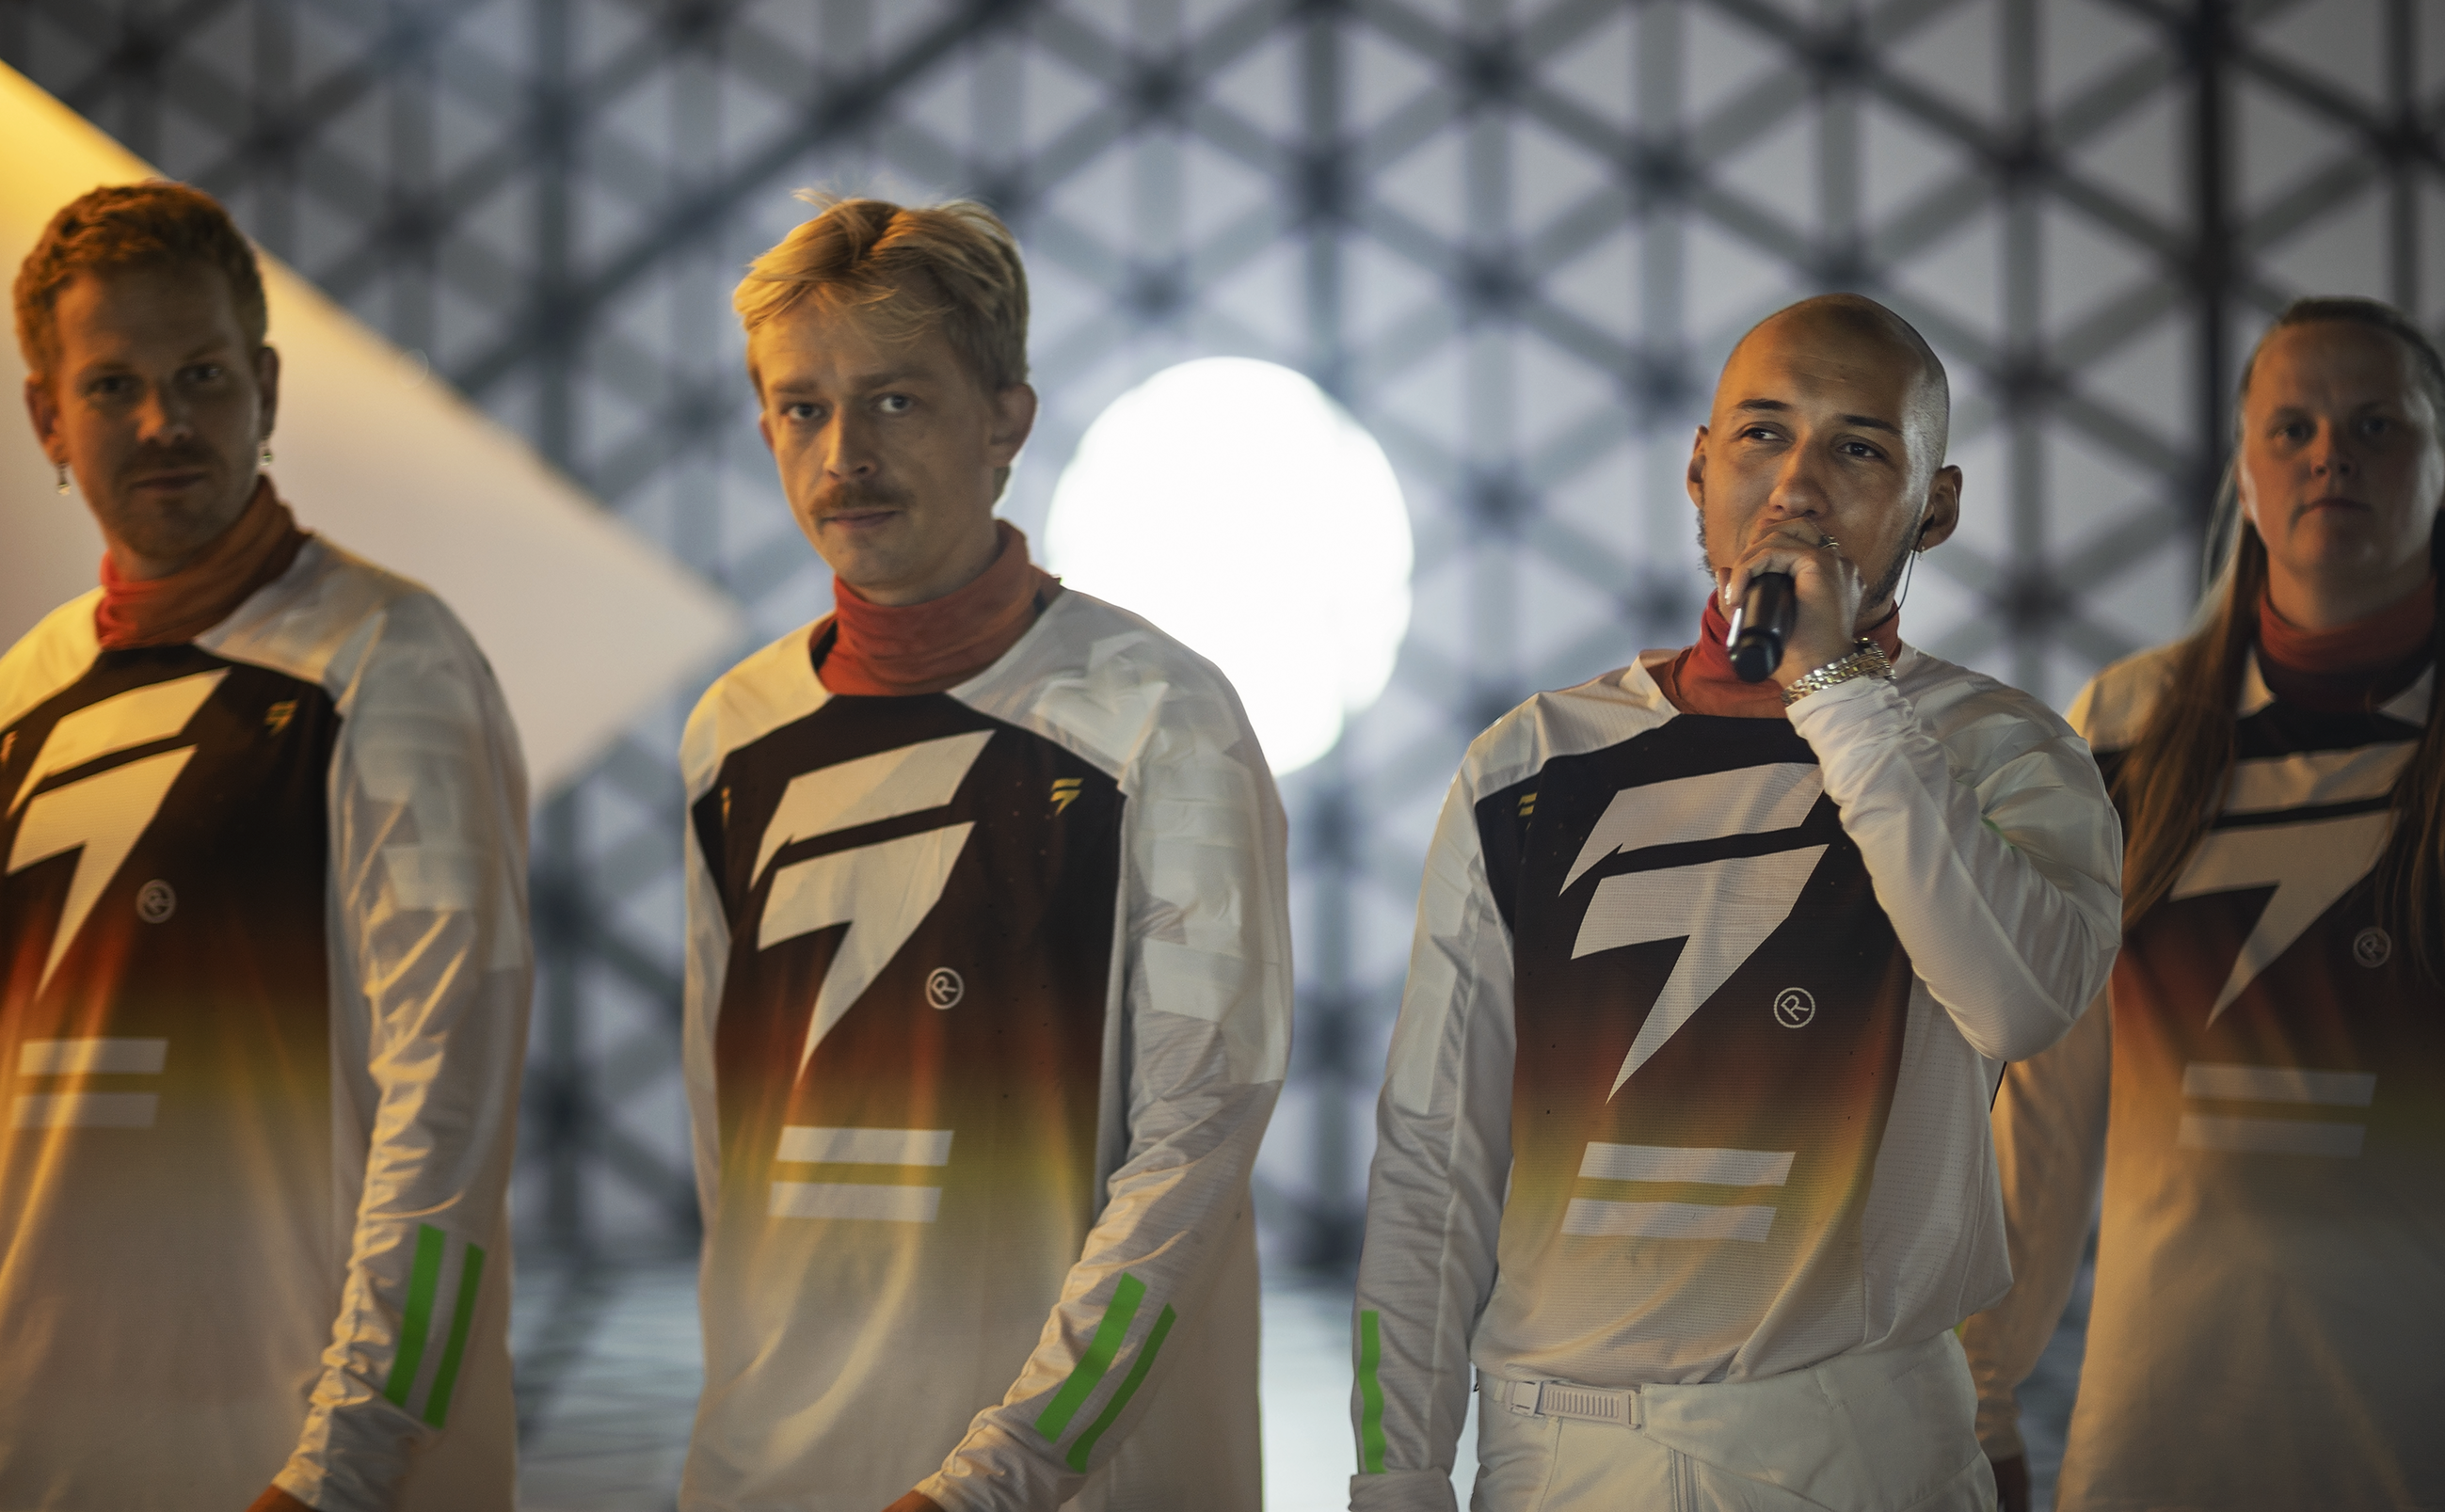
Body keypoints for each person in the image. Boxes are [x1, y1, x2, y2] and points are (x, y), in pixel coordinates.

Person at [1348, 294, 2124, 1512]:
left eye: (1857, 448)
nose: (1797, 485)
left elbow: (2020, 999)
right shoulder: (1531, 760)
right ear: (1698, 469)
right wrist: (1393, 1477)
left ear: (1936, 505)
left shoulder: (2002, 750)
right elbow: (1432, 1157)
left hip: (1859, 1450)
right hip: (1559, 1456)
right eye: (1762, 434)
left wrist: (1838, 689)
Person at [678, 194, 1289, 1512]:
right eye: (802, 408)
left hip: (1068, 1481)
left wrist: (1001, 1475)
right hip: (770, 1467)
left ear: (1005, 419)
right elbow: (729, 1151)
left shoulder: (1158, 717)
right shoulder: (733, 732)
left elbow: (1195, 1144)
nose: (844, 454)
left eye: (895, 400)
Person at [1, 184, 526, 1510]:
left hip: (297, 1469)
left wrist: (343, 1464)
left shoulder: (392, 663)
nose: (164, 422)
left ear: (266, 389)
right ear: (47, 419)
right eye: (112, 385)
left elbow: (449, 1116)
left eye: (202, 375)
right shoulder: (18, 698)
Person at [1963, 297, 2445, 1511]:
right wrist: (1977, 1399)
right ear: (2244, 470)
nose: (2331, 455)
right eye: (2293, 428)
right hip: (2156, 1445)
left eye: (2377, 425)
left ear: (2439, 459)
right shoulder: (2124, 728)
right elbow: (2044, 1113)